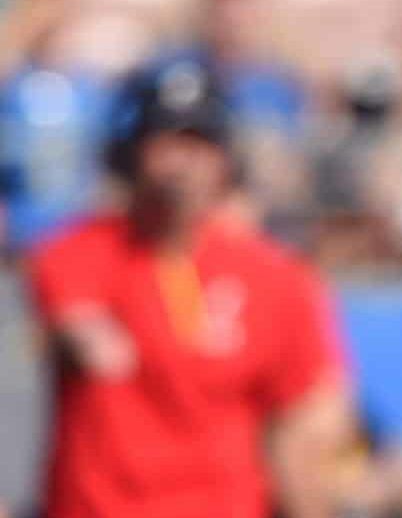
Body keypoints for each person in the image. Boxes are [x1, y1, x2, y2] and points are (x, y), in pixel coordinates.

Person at [25, 57, 350, 518]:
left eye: (199, 143)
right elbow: (83, 335)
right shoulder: (76, 253)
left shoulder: (276, 276)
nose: (181, 163)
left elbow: (304, 420)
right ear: (130, 153)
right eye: (165, 142)